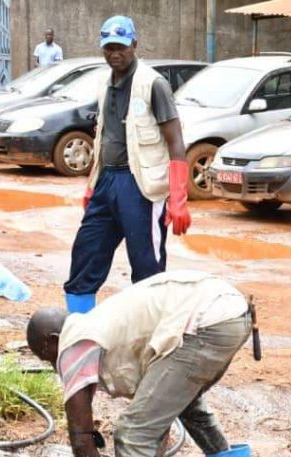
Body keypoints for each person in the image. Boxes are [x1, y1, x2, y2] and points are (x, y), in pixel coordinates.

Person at [26, 271, 257, 457]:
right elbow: (159, 421)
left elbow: (80, 439)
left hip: (206, 321)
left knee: (132, 430)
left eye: (46, 358)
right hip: (231, 313)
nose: (54, 366)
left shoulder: (73, 343)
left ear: (52, 340)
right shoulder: (101, 324)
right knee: (189, 410)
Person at [63, 15, 191, 314]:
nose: (114, 53)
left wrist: (178, 198)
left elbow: (175, 141)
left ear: (134, 45)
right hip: (107, 181)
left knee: (147, 267)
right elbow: (104, 138)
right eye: (108, 47)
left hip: (140, 187)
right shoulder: (104, 84)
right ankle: (80, 334)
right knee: (85, 255)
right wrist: (92, 184)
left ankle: (149, 339)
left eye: (121, 46)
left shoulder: (152, 84)